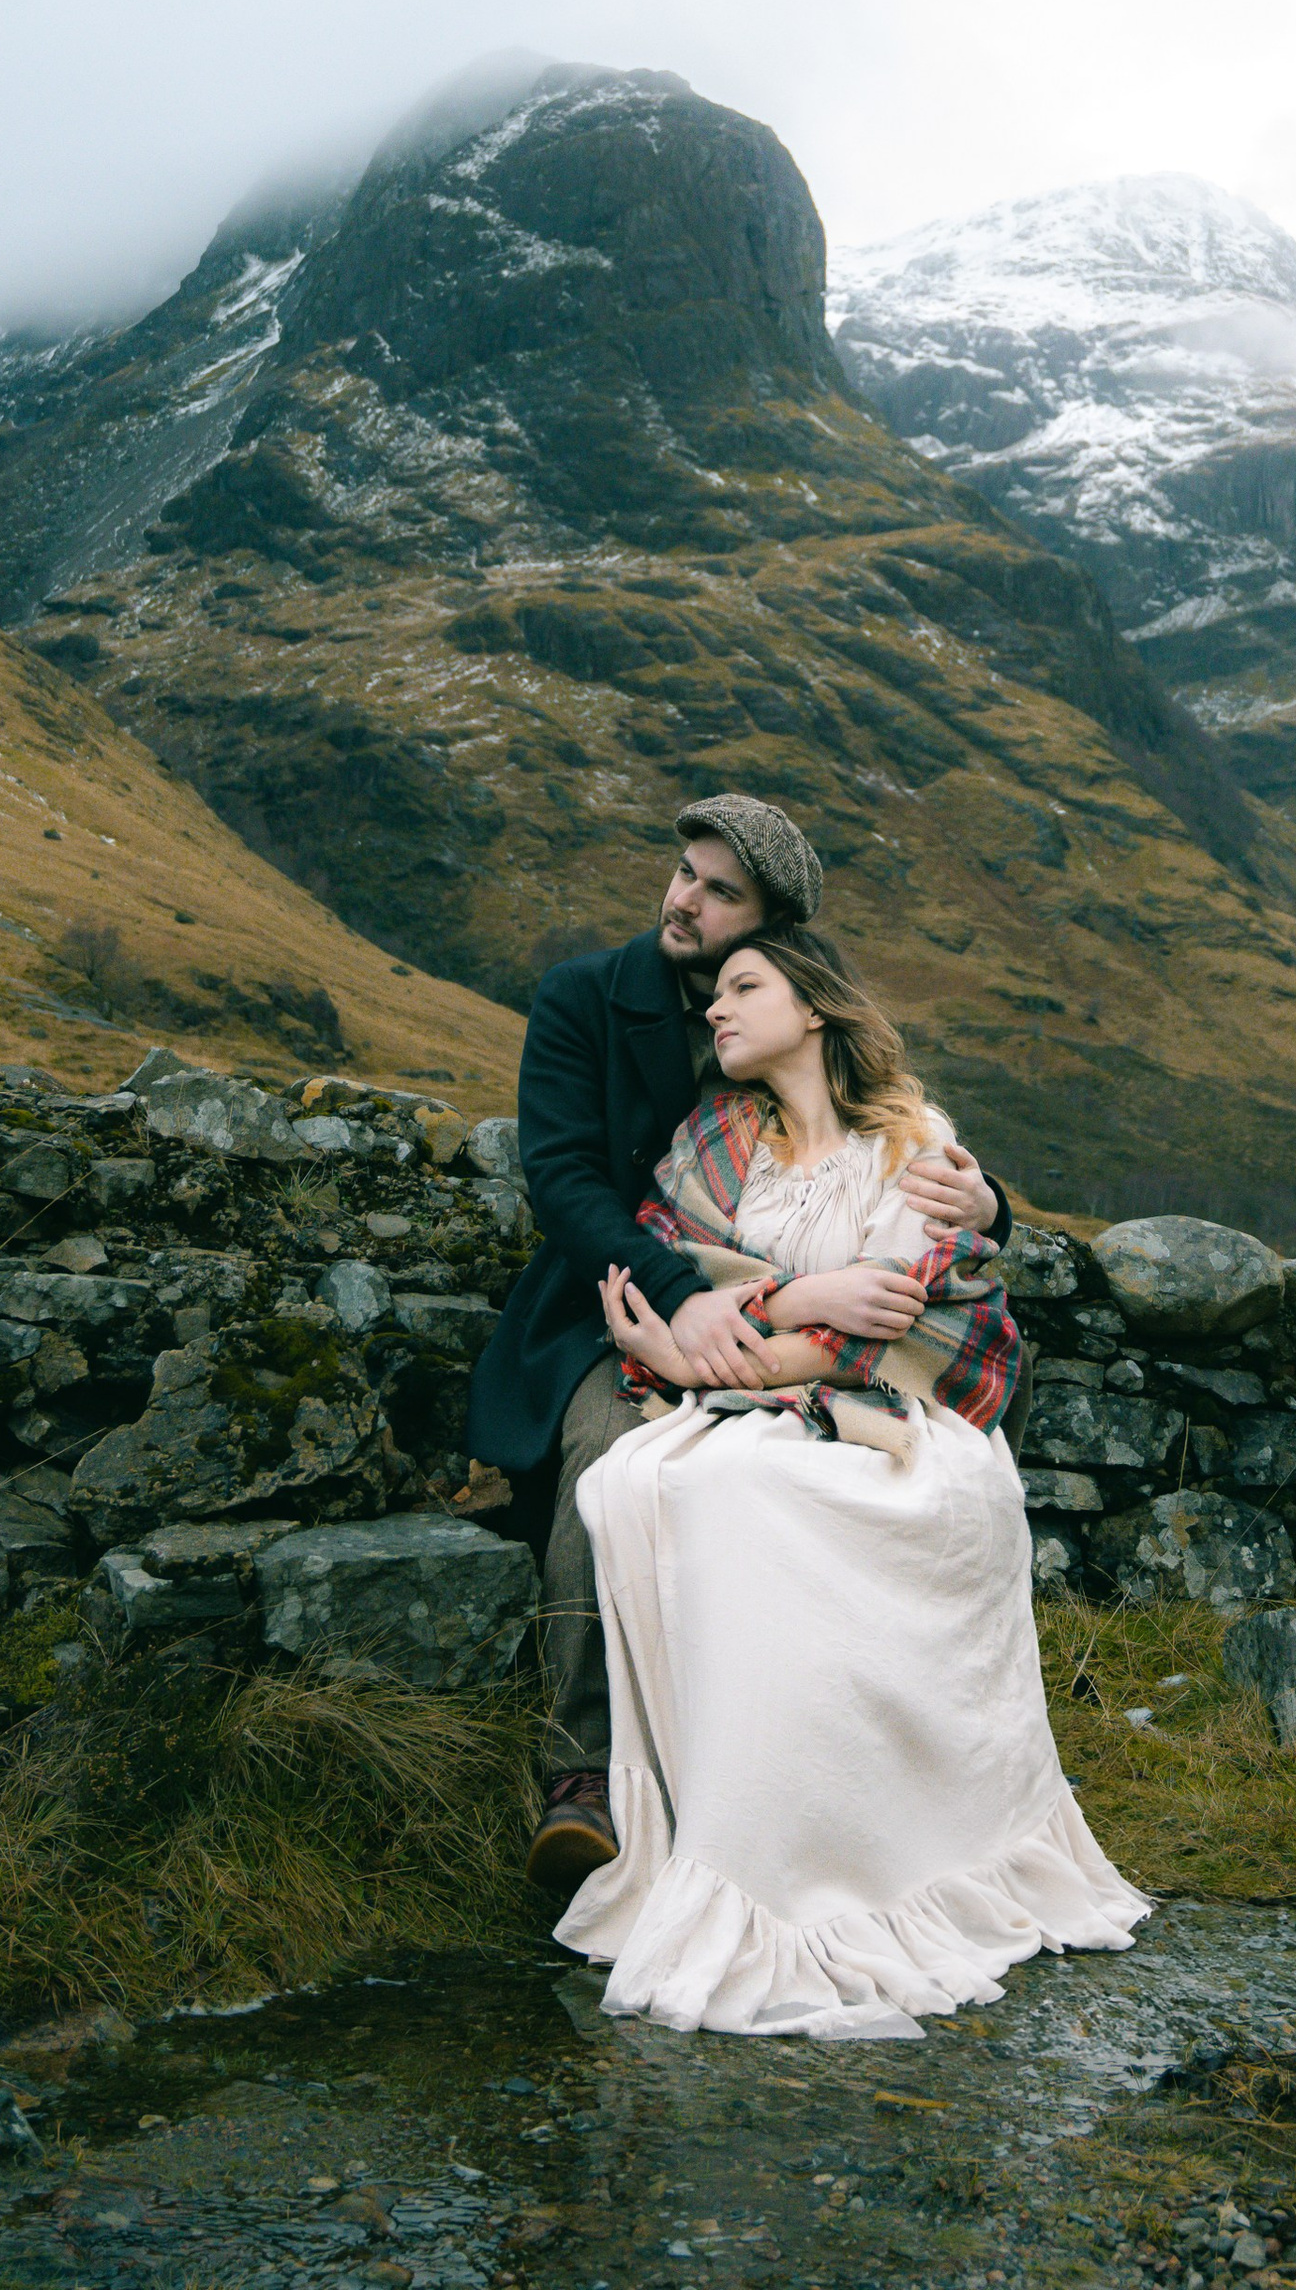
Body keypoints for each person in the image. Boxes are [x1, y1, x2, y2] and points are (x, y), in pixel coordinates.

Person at [555, 926, 1148, 2039]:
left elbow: (921, 1310)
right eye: (716, 994)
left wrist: (746, 1341)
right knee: (647, 1485)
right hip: (747, 1397)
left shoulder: (917, 1150)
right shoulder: (711, 1142)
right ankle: (714, 1835)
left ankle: (834, 1849)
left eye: (744, 988)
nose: (716, 1011)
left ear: (814, 1008)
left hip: (889, 1416)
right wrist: (778, 1306)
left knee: (744, 1498)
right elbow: (667, 1281)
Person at [465, 793, 1009, 1895]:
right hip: (611, 1298)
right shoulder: (584, 997)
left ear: (769, 933)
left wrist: (993, 1202)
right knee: (608, 1460)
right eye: (683, 872)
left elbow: (884, 1134)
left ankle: (797, 1781)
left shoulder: (755, 1023)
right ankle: (579, 1776)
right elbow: (565, 1184)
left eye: (720, 892)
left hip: (775, 1315)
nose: (683, 898)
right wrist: (683, 1302)